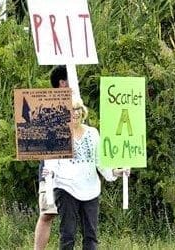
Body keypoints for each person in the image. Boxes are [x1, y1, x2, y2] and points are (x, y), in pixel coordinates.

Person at [44, 99, 129, 250]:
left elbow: (100, 162)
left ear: (82, 111)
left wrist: (116, 172)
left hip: (90, 189)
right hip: (66, 187)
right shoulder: (58, 133)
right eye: (71, 109)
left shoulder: (93, 133)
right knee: (68, 234)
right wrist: (49, 172)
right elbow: (51, 162)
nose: (75, 113)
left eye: (78, 109)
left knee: (91, 235)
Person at [34, 65, 68, 250]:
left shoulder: (77, 106)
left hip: (74, 170)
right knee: (47, 212)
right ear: (62, 83)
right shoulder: (45, 105)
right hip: (50, 169)